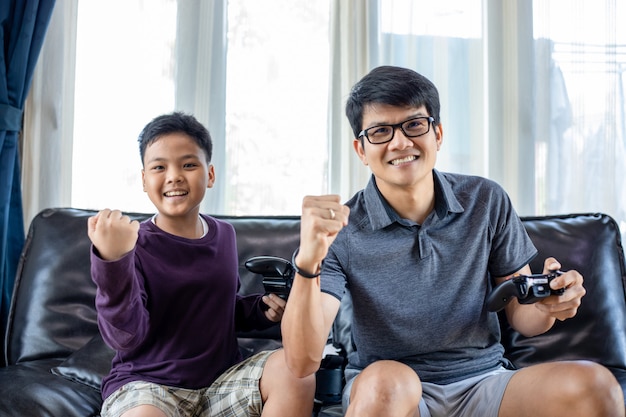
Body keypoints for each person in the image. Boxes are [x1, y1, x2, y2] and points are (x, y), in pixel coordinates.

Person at [281, 66, 625, 417]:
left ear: (438, 134)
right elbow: (301, 361)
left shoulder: (486, 200)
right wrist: (308, 262)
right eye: (381, 131)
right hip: (391, 389)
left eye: (414, 125)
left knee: (597, 386)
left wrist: (546, 306)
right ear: (361, 149)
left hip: (484, 381)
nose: (400, 142)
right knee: (388, 382)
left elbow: (521, 315)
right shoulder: (341, 228)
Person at [87, 112, 315, 417]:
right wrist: (114, 262)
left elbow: (220, 308)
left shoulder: (224, 234)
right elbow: (124, 337)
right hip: (149, 385)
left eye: (188, 164)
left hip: (222, 380)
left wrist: (260, 310)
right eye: (159, 167)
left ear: (209, 174)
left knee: (297, 372)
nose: (174, 176)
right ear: (144, 179)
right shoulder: (130, 244)